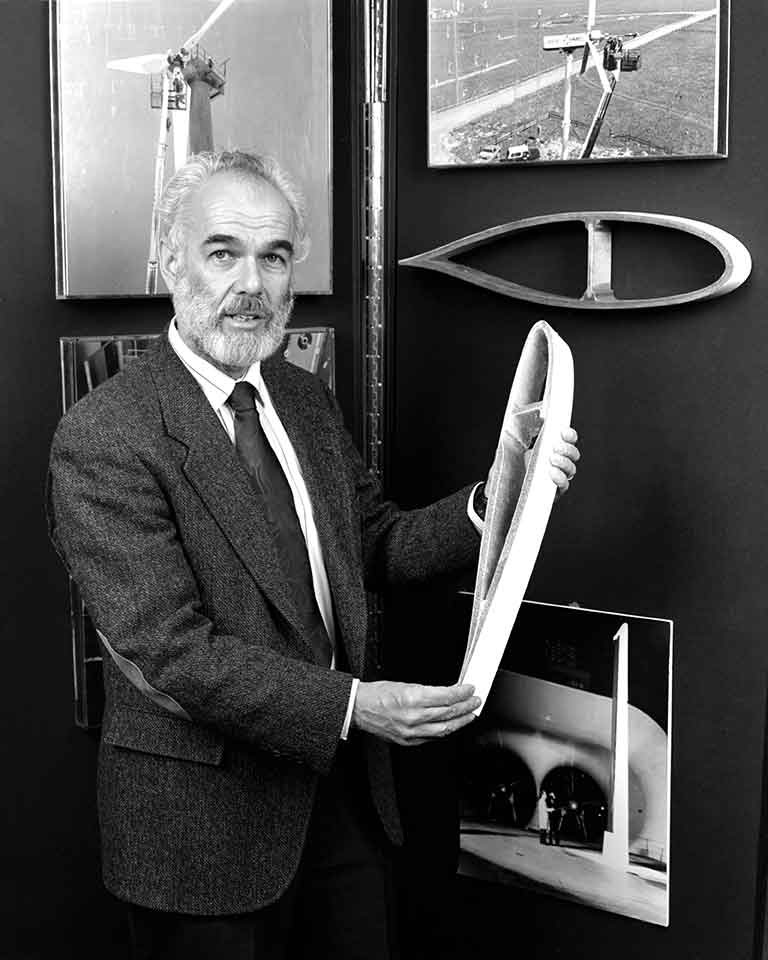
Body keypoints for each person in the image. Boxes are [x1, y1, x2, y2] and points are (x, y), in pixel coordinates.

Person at [47, 149, 580, 960]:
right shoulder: (104, 437)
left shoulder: (300, 399)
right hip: (202, 840)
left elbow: (374, 545)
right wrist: (354, 708)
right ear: (169, 259)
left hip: (344, 814)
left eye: (274, 256)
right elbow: (175, 654)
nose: (251, 284)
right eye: (222, 252)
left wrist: (501, 491)